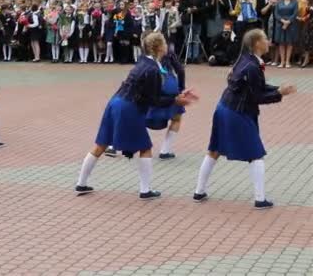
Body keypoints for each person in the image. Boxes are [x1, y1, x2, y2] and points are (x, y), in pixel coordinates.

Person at [75, 32, 198, 198]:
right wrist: (176, 101)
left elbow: (151, 95)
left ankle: (81, 184)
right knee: (145, 147)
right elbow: (154, 101)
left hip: (115, 102)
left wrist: (176, 98)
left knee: (101, 143)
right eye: (164, 44)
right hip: (129, 107)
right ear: (160, 47)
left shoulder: (143, 61)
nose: (167, 47)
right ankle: (145, 190)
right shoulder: (153, 69)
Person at [193, 29, 297, 209]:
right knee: (256, 153)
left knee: (214, 149)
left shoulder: (245, 60)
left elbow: (258, 87)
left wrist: (277, 88)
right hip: (237, 112)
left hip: (223, 107)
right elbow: (256, 96)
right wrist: (279, 93)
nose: (268, 41)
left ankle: (198, 192)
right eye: (265, 39)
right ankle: (260, 199)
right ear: (256, 43)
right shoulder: (251, 66)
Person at [145, 49, 185, 159]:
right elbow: (180, 70)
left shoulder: (146, 55)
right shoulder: (169, 52)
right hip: (170, 86)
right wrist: (181, 89)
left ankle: (112, 145)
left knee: (137, 118)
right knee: (177, 118)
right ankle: (165, 150)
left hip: (153, 88)